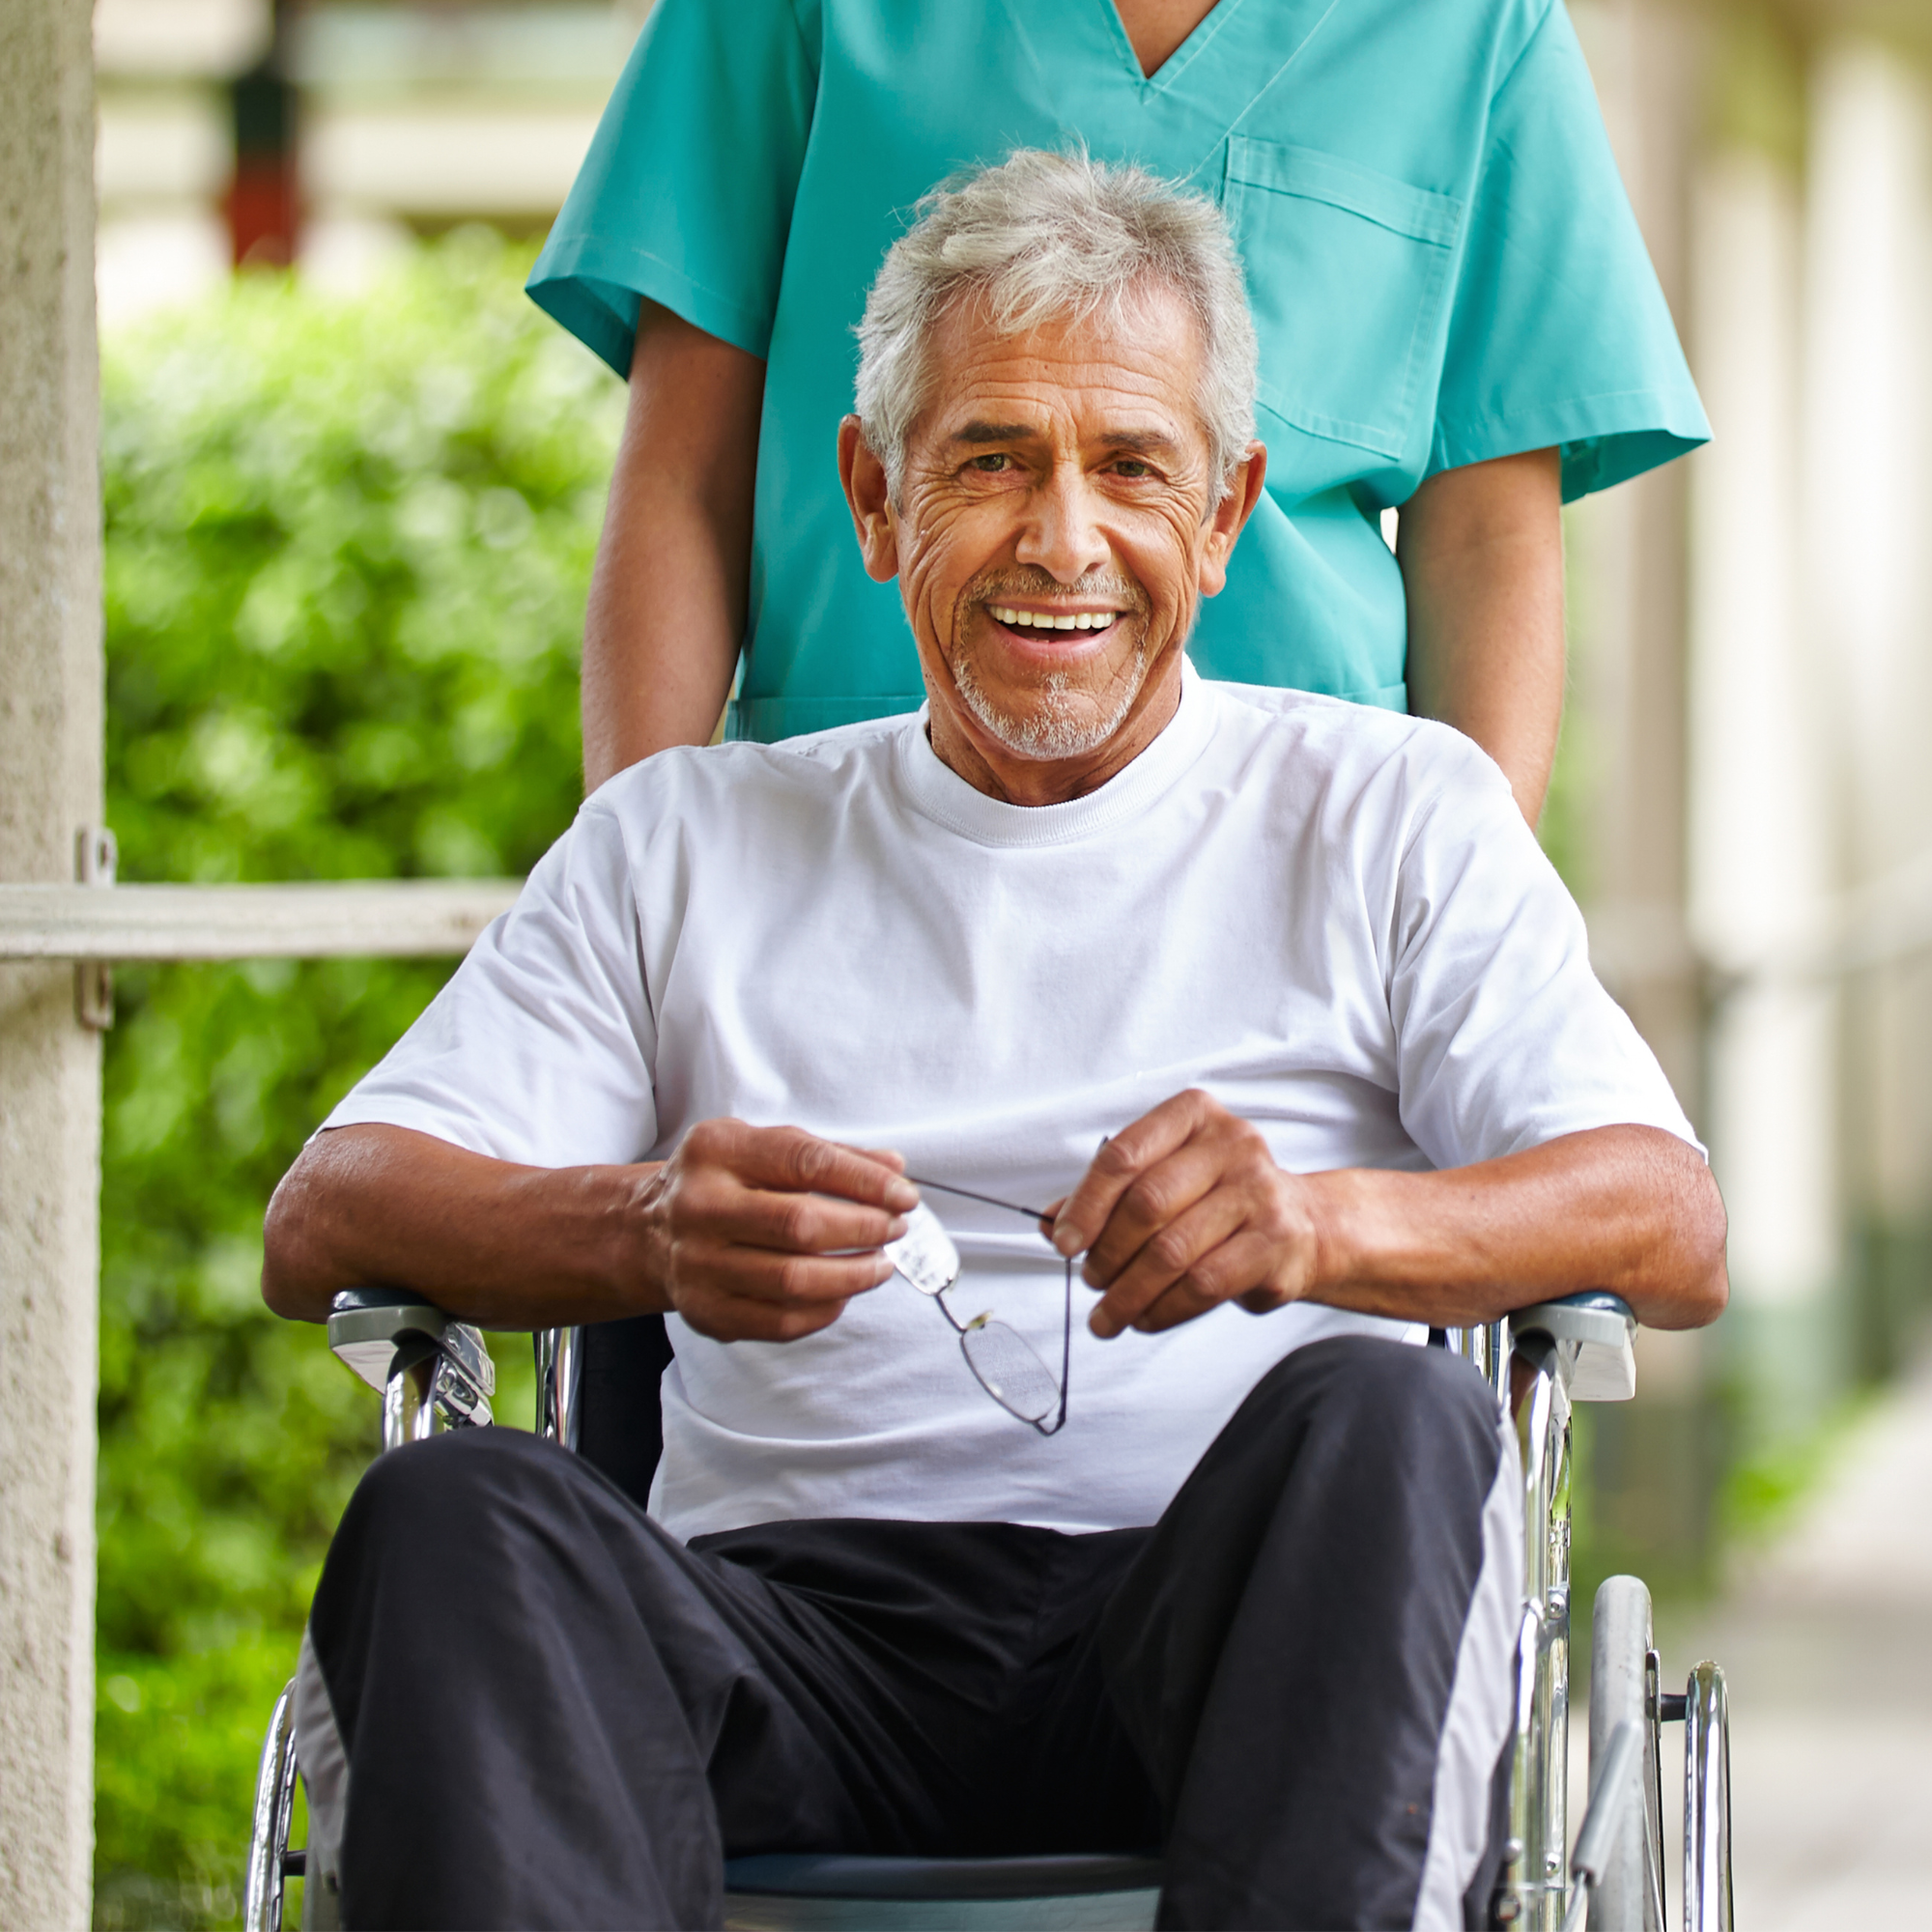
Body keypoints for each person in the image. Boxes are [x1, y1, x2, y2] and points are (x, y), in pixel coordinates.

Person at [269, 154, 1727, 1930]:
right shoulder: (686, 841)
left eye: (1130, 467)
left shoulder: (1392, 813)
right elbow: (328, 1214)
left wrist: (1328, 1230)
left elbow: (1668, 1220)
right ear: (874, 502)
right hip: (779, 1636)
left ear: (1224, 512)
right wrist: (639, 1229)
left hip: (1229, 1629)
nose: (1061, 538)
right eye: (988, 461)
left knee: (1389, 1418)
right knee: (453, 1521)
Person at [527, 0, 1710, 818]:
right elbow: (684, 474)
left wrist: (1463, 914)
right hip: (849, 827)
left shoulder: (1476, 26)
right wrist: (641, 889)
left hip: (1299, 849)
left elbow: (1492, 530)